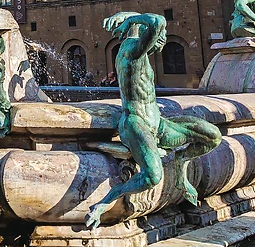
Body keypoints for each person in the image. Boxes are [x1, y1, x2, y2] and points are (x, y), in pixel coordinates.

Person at [83, 13, 222, 231]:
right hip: (136, 124)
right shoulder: (132, 52)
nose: (163, 39)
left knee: (212, 136)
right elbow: (158, 22)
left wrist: (129, 18)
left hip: (158, 123)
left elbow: (155, 25)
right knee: (152, 176)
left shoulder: (138, 51)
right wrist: (132, 20)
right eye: (161, 37)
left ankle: (180, 162)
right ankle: (107, 200)